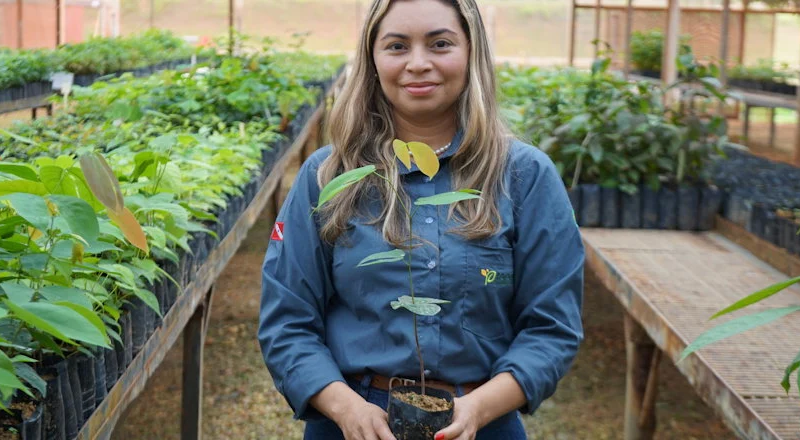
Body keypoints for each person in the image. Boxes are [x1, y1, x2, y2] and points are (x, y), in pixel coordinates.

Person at [258, 0, 584, 439]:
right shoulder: (328, 178)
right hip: (353, 423)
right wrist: (346, 407)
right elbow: (286, 319)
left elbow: (552, 327)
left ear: (472, 53)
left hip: (481, 422)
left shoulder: (524, 177)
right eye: (396, 46)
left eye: (440, 44)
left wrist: (479, 409)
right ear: (372, 60)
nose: (418, 63)